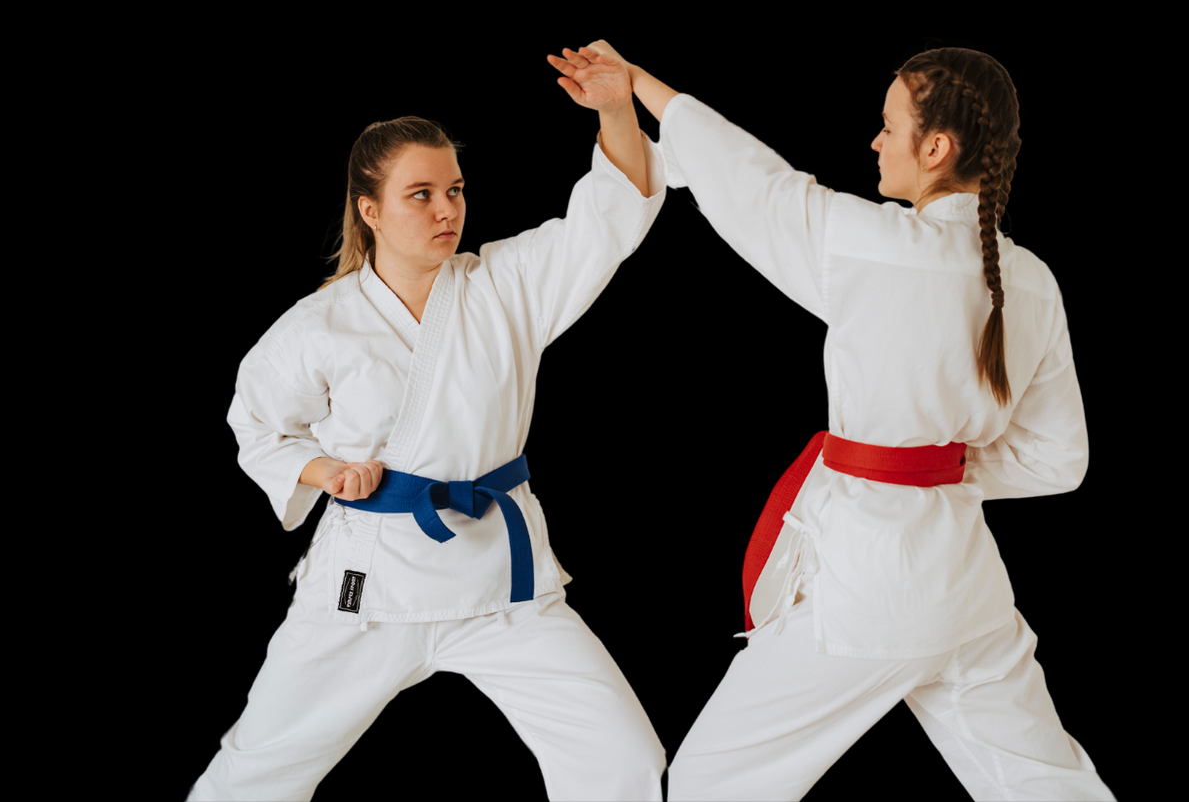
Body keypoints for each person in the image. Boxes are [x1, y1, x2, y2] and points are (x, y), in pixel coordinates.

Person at [555, 44, 1112, 800]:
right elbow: (1056, 460)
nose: (874, 142)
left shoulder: (871, 245)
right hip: (967, 588)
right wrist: (935, 467)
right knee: (1044, 784)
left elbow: (754, 187)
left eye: (888, 127)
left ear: (936, 148)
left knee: (710, 785)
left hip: (869, 590)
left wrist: (640, 87)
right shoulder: (1033, 280)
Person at [188, 41, 668, 801]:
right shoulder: (321, 324)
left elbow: (609, 222)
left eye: (455, 189)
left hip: (503, 585)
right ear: (369, 209)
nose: (447, 209)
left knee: (621, 763)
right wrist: (324, 471)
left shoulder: (506, 284)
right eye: (421, 194)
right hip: (369, 585)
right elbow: (257, 425)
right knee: (258, 769)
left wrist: (614, 106)